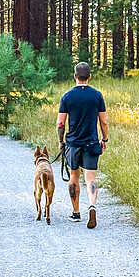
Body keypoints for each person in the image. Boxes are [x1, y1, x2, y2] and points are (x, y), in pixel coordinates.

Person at [57, 62, 108, 229]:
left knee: (74, 176)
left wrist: (61, 141)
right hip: (91, 142)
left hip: (73, 143)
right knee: (91, 178)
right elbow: (104, 122)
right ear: (89, 77)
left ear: (75, 76)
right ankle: (92, 205)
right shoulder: (97, 96)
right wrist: (104, 139)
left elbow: (60, 123)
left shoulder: (67, 97)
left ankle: (76, 212)